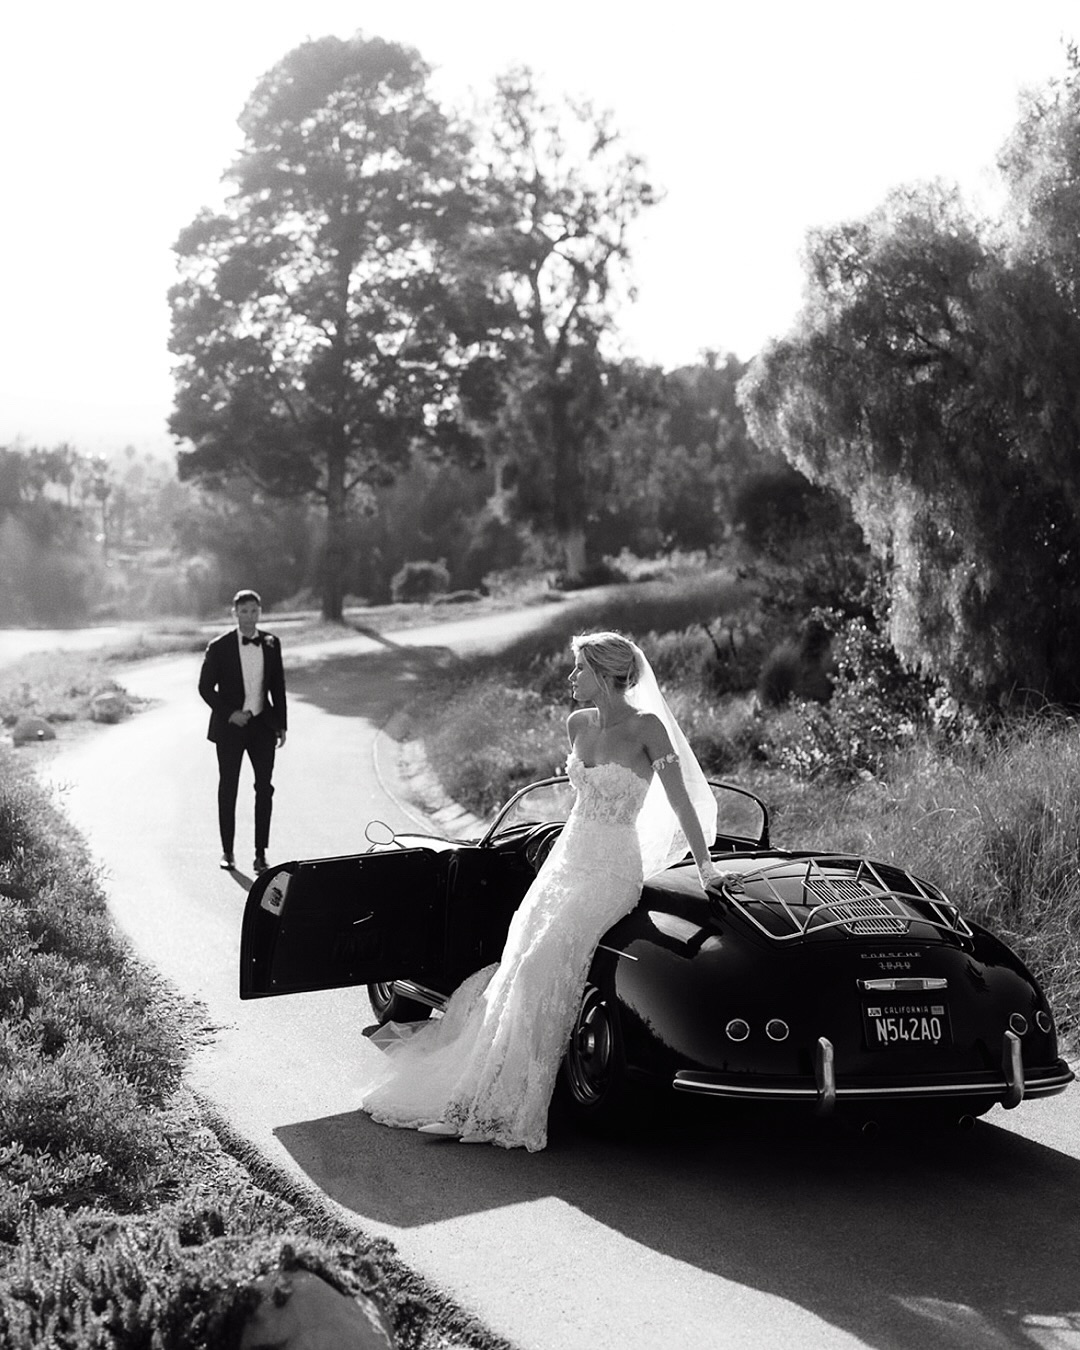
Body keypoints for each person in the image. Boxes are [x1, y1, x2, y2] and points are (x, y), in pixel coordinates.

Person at [357, 630, 720, 1151]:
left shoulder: (648, 728)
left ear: (603, 673)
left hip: (612, 871)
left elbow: (683, 803)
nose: (571, 679)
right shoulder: (577, 724)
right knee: (518, 962)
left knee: (540, 966)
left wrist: (707, 869)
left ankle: (502, 1109)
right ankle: (469, 1099)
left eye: (578, 670)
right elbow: (578, 804)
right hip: (567, 861)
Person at [198, 589, 287, 873]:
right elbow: (205, 688)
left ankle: (261, 854)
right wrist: (230, 713)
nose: (250, 617)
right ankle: (228, 852)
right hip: (230, 728)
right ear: (234, 613)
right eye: (244, 611)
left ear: (260, 613)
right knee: (229, 787)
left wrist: (281, 724)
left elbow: (278, 687)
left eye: (255, 611)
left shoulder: (272, 643)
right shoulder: (219, 647)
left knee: (264, 788)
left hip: (262, 725)